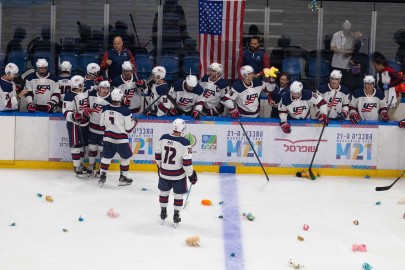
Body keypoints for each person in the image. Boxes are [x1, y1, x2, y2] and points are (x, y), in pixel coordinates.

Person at [155, 118, 197, 226]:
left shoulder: (163, 137)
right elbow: (187, 162)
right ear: (183, 128)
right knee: (178, 195)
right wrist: (191, 174)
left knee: (164, 193)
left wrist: (160, 166)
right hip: (178, 175)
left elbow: (157, 154)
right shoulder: (184, 142)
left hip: (164, 173)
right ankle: (176, 215)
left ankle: (163, 212)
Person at [98, 88, 137, 187]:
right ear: (121, 98)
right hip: (121, 140)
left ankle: (102, 176)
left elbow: (101, 124)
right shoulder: (125, 110)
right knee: (126, 158)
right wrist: (135, 122)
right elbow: (128, 129)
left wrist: (108, 131)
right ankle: (123, 178)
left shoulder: (105, 108)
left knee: (106, 158)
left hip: (108, 138)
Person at [62, 75, 90, 177]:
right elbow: (65, 112)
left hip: (85, 123)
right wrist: (73, 115)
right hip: (74, 124)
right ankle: (76, 166)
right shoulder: (69, 96)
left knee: (82, 145)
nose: (83, 84)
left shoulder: (85, 92)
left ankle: (80, 163)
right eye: (81, 83)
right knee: (75, 145)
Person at [87, 80, 112, 177]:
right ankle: (91, 165)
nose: (105, 90)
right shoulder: (91, 95)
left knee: (102, 150)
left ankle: (101, 168)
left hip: (103, 129)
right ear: (99, 88)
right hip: (92, 126)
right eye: (103, 88)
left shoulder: (111, 99)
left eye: (107, 88)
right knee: (92, 148)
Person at [371, 52, 402, 117]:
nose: (374, 67)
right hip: (385, 97)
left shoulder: (389, 71)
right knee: (383, 115)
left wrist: (389, 85)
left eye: (375, 66)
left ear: (380, 64)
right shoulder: (378, 73)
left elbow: (399, 79)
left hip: (394, 96)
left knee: (388, 116)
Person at [330, 20, 356, 85]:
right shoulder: (336, 35)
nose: (346, 31)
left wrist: (347, 52)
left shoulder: (353, 36)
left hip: (347, 64)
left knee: (345, 83)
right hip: (336, 63)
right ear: (342, 28)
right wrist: (341, 51)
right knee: (335, 82)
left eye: (348, 30)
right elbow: (332, 47)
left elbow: (354, 50)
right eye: (345, 29)